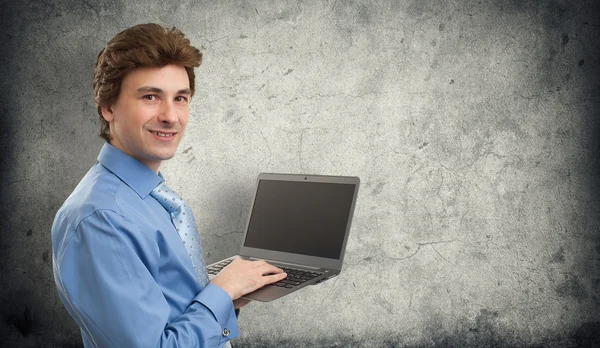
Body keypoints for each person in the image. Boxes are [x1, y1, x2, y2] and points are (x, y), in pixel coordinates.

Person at [51, 23, 287, 348]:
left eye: (181, 98)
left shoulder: (154, 199)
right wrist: (223, 291)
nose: (171, 116)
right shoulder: (102, 219)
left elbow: (169, 312)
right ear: (108, 107)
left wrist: (228, 298)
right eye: (151, 96)